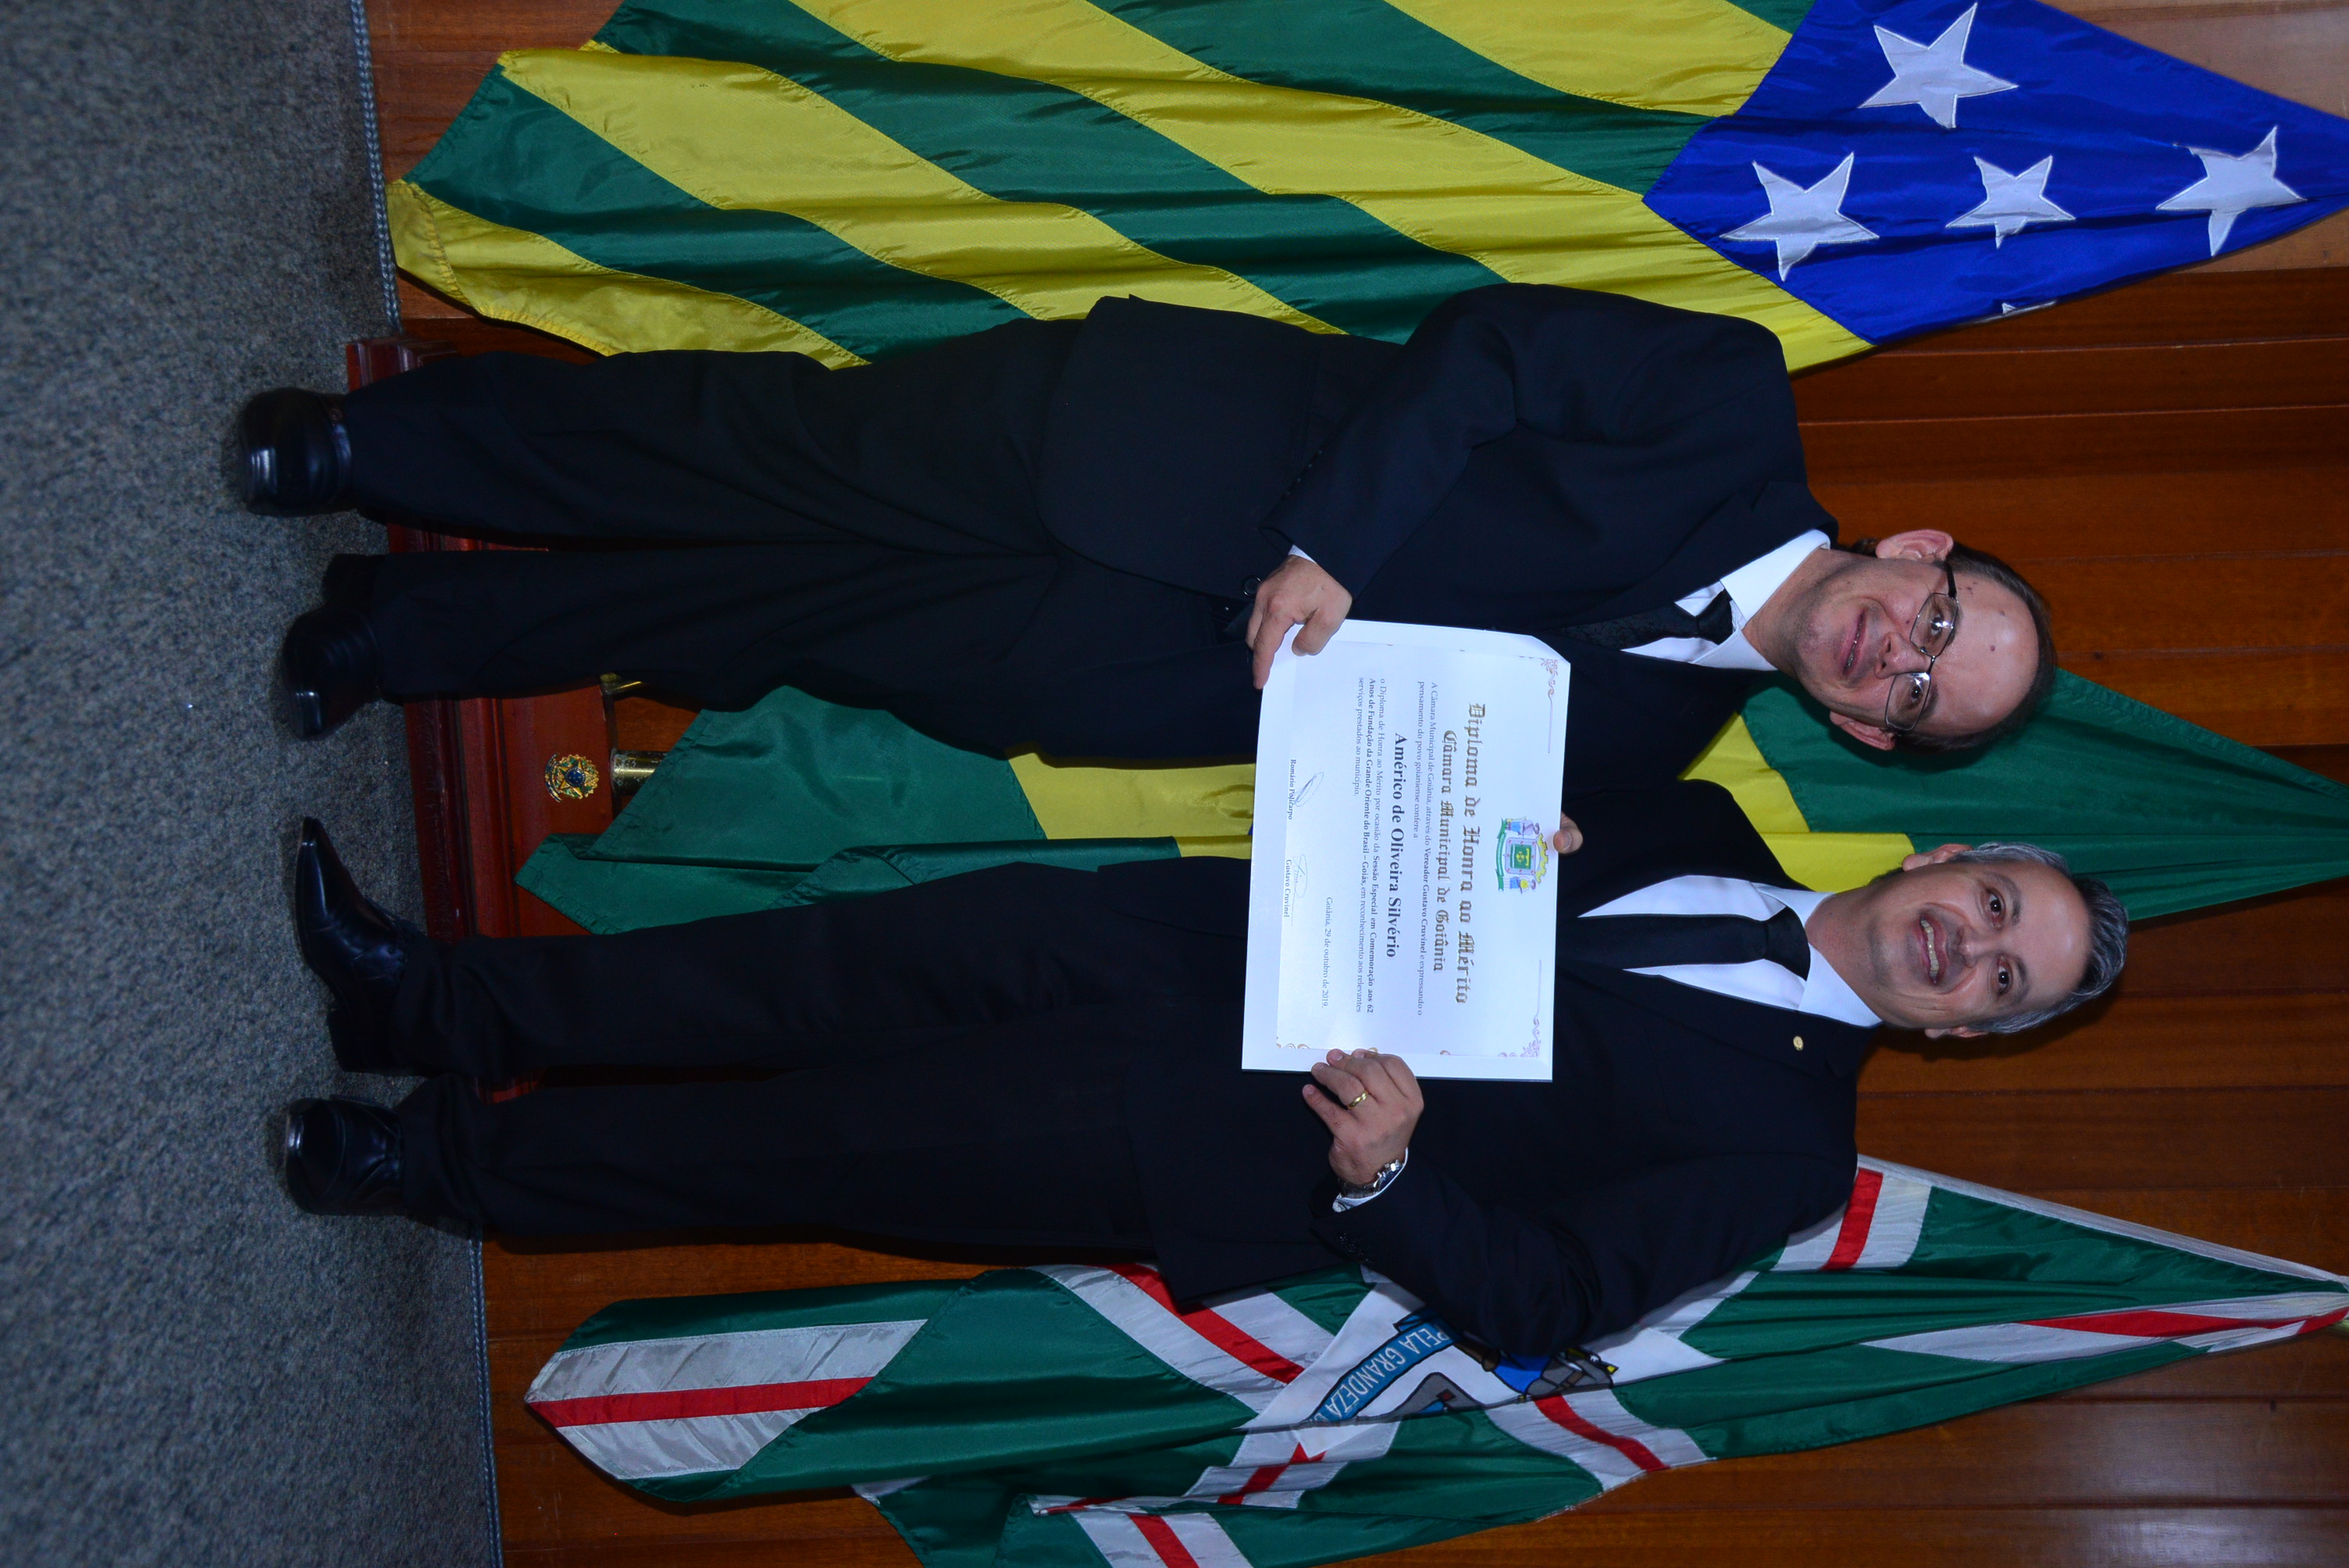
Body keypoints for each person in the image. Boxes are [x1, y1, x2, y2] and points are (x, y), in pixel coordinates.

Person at [279, 780, 2126, 1357]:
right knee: (797, 970)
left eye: (2001, 978)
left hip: (1205, 1137)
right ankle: (429, 1003)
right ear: (1944, 851)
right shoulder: (1694, 812)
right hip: (1176, 939)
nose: (1965, 945)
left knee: (799, 1143)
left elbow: (1549, 1301)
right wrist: (1498, 813)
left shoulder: (1789, 1153)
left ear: (1965, 1032)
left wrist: (1391, 1175)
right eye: (1990, 903)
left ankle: (430, 1167)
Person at [245, 284, 2054, 785]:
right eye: (1939, 616)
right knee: (750, 452)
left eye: (1919, 693)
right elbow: (1489, 352)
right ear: (1917, 546)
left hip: (1122, 671)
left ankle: (396, 633)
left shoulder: (1658, 749)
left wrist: (1521, 850)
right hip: (1140, 446)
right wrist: (1337, 545)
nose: (1898, 652)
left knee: (761, 626)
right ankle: (370, 447)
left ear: (1864, 731)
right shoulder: (1729, 399)